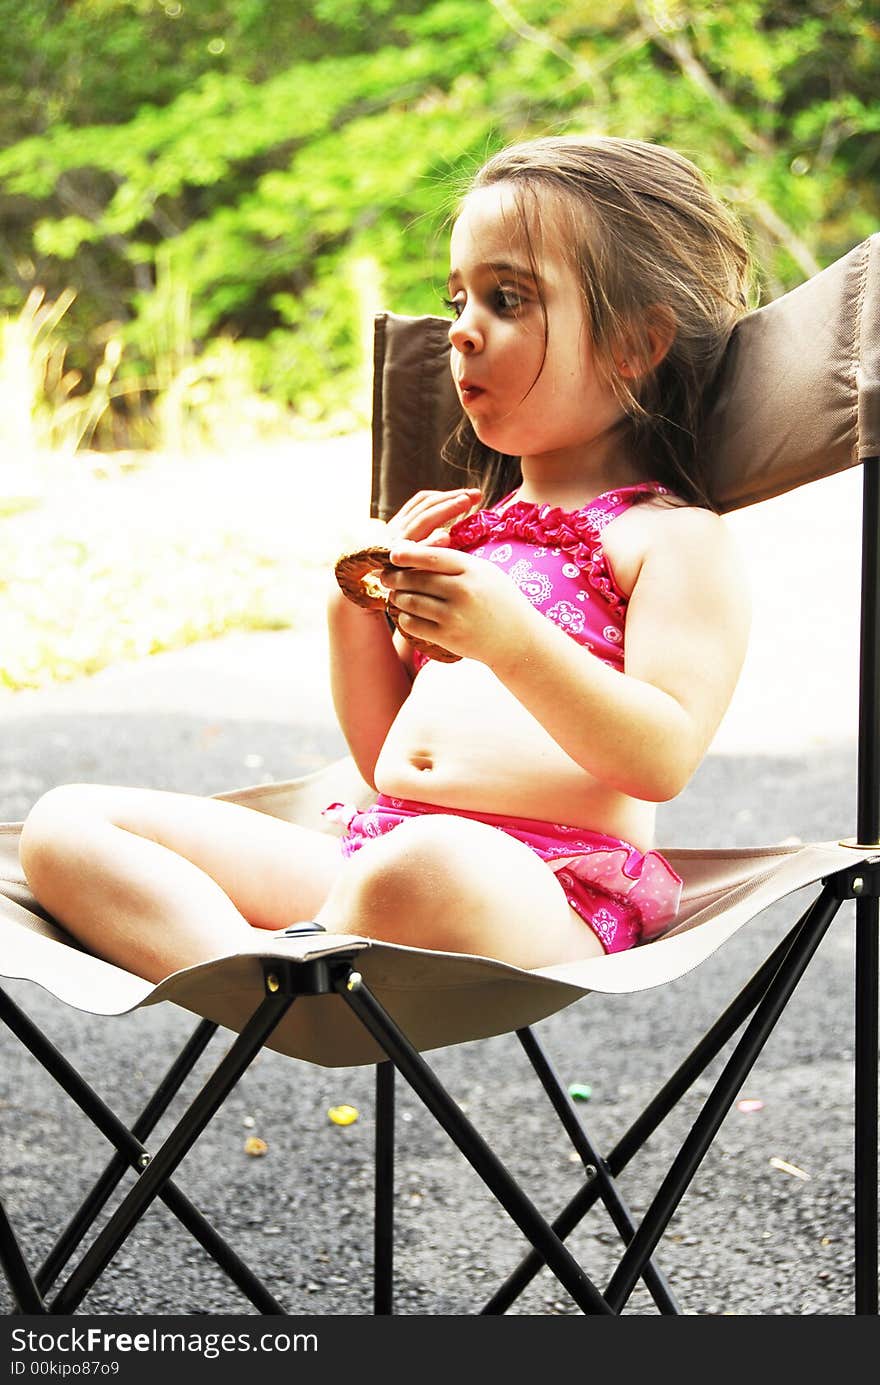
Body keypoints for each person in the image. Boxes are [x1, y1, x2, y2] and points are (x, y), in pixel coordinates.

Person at [19, 134, 752, 984]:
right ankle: (257, 973)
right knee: (66, 824)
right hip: (374, 856)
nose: (462, 331)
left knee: (429, 863)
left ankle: (307, 960)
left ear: (635, 345)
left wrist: (510, 640)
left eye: (507, 299)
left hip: (537, 888)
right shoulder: (478, 525)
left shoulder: (669, 536)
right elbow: (386, 763)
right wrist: (355, 614)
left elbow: (660, 757)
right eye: (458, 298)